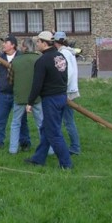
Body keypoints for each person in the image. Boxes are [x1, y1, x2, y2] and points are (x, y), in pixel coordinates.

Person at [24, 31, 73, 169]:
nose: (37, 44)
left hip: (51, 99)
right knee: (46, 129)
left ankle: (66, 164)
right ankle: (39, 158)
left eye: (38, 42)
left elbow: (37, 84)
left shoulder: (42, 60)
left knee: (53, 133)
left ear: (45, 43)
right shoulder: (60, 56)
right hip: (61, 96)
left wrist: (30, 102)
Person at [0, 34, 30, 150]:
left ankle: (25, 143)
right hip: (4, 94)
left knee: (22, 120)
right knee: (0, 119)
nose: (3, 45)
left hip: (18, 94)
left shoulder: (21, 57)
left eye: (6, 43)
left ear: (13, 45)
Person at [8, 38, 43, 154]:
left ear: (25, 47)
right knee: (41, 124)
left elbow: (10, 80)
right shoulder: (40, 59)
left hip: (20, 97)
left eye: (22, 46)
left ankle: (13, 149)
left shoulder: (15, 61)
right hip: (37, 97)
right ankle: (48, 149)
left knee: (15, 123)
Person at [53, 31, 81, 155]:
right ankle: (60, 145)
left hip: (66, 91)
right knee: (63, 120)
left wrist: (61, 88)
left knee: (67, 121)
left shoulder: (64, 53)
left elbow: (67, 73)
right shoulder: (69, 52)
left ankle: (74, 147)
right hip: (69, 90)